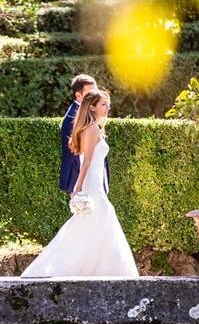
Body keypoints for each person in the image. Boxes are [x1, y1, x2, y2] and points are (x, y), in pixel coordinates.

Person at [22, 89, 139, 277]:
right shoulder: (92, 129)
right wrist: (78, 188)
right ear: (92, 106)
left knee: (92, 224)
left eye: (108, 104)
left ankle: (96, 269)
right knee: (99, 218)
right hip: (92, 185)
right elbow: (86, 162)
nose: (107, 107)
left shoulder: (93, 127)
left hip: (95, 184)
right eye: (103, 104)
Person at [60, 74, 109, 194]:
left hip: (93, 177)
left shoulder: (88, 114)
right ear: (78, 95)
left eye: (96, 90)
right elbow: (78, 154)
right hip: (80, 178)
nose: (96, 94)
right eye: (91, 92)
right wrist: (80, 186)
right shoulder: (73, 117)